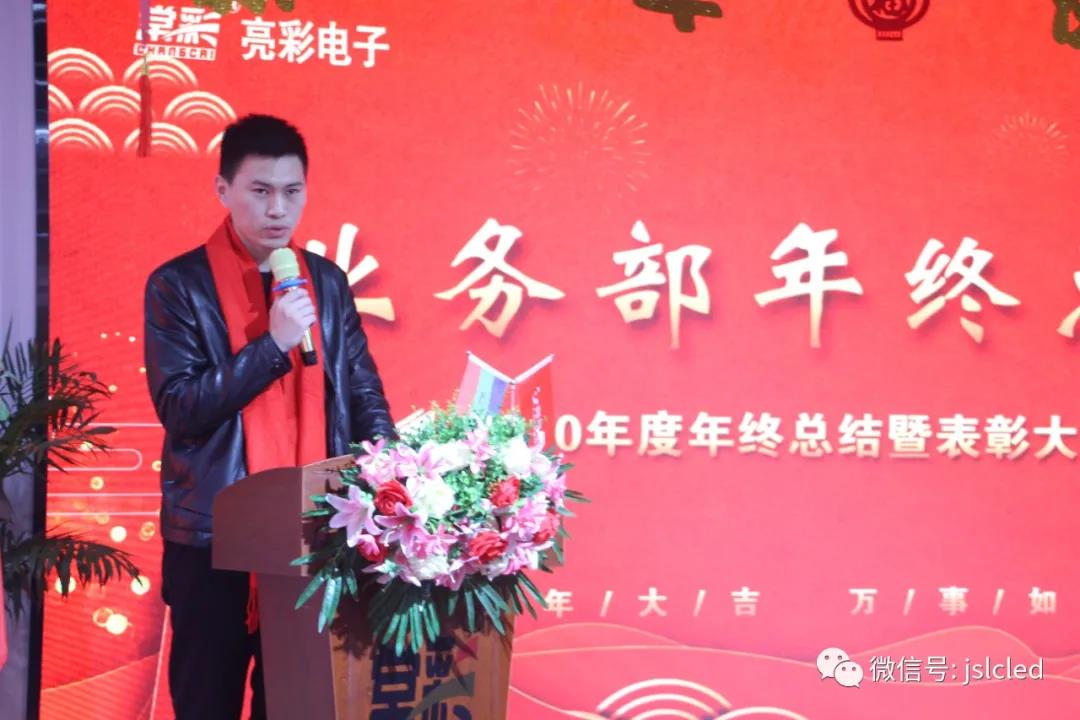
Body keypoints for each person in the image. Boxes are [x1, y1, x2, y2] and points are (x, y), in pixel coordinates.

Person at [143, 114, 395, 720]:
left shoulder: (326, 283)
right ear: (223, 189)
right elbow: (182, 409)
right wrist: (272, 345)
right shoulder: (177, 286)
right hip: (215, 542)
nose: (277, 209)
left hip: (316, 534)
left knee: (297, 706)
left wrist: (392, 479)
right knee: (206, 703)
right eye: (260, 191)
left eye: (291, 191)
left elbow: (362, 391)